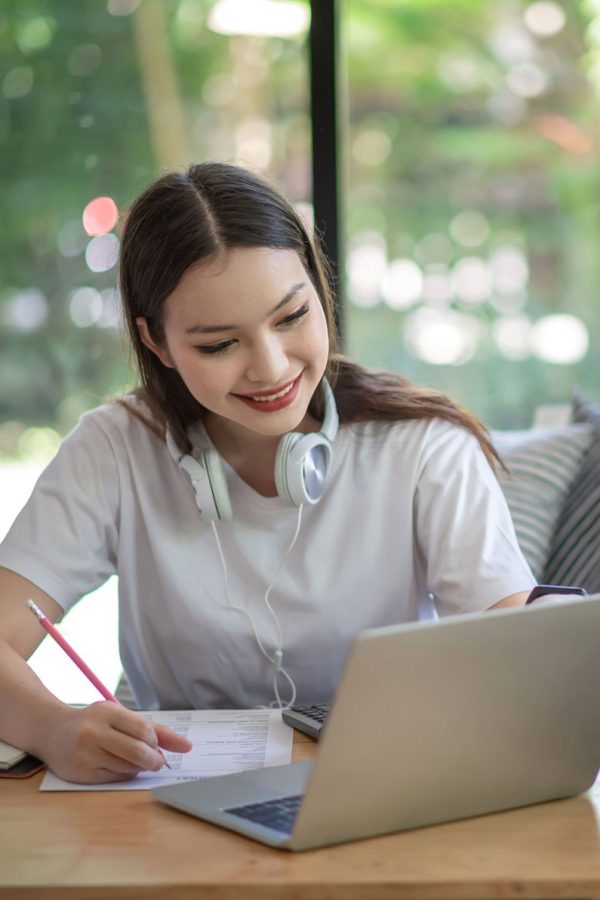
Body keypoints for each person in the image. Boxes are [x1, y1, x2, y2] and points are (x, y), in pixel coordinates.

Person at [0, 161, 535, 784]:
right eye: (219, 344)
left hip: (384, 790)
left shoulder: (424, 448)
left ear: (319, 287)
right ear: (157, 343)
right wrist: (50, 726)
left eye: (291, 317)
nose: (271, 368)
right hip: (165, 804)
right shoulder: (114, 447)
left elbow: (518, 658)